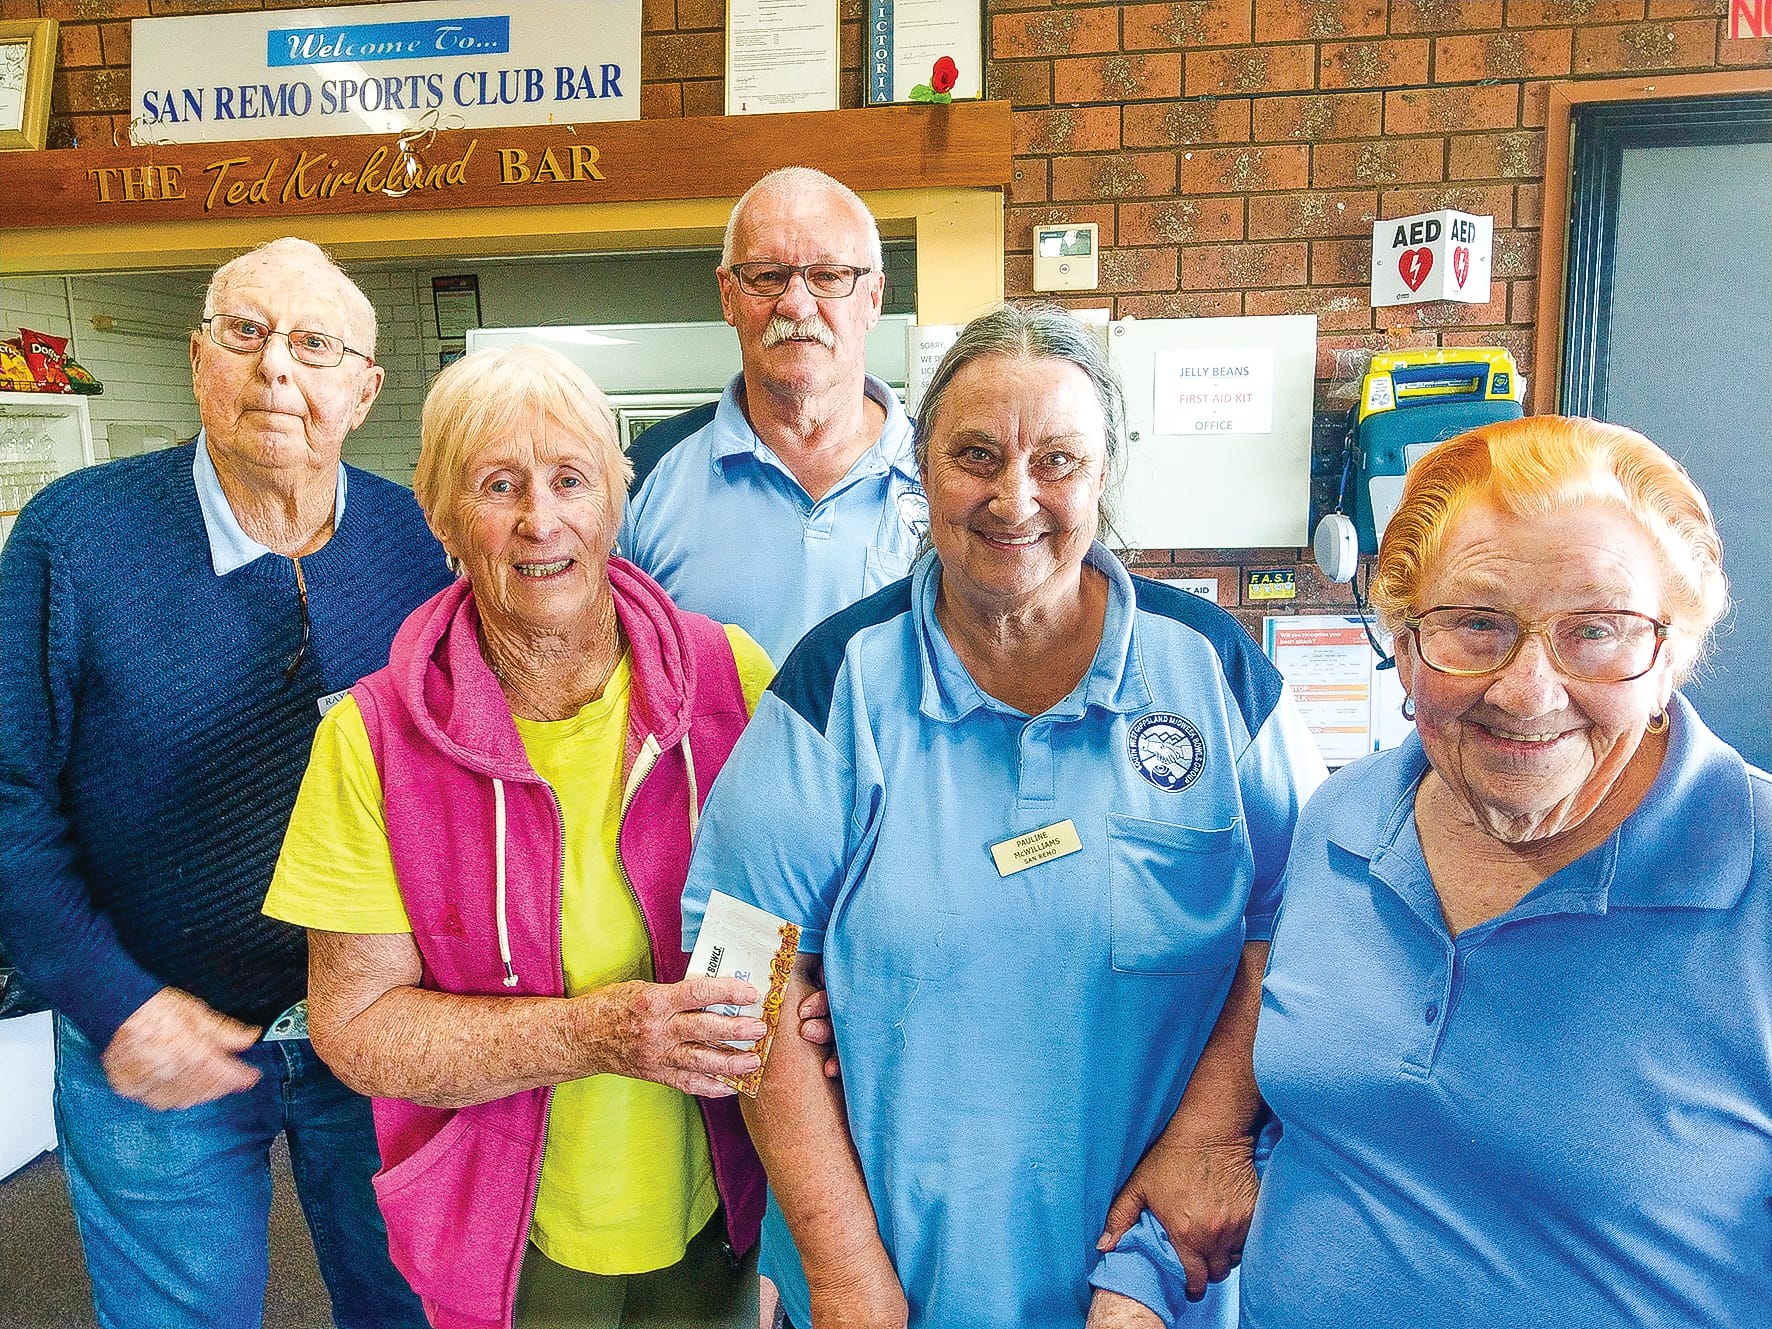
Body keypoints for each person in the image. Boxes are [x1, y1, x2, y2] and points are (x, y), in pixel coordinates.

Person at [680, 304, 1326, 1329]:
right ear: (921, 471)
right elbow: (735, 957)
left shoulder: (1215, 676)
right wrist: (846, 1276)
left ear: (1105, 473)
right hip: (895, 1282)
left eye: (1057, 459)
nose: (1014, 497)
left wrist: (1207, 1138)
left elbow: (1303, 931)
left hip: (1155, 1284)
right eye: (974, 455)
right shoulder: (837, 682)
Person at [263, 344, 774, 1329]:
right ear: (443, 517)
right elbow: (358, 1032)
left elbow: (797, 921)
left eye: (569, 480)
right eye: (499, 485)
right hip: (509, 1236)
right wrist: (597, 1033)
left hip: (720, 1208)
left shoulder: (726, 680)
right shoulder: (371, 742)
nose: (541, 520)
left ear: (613, 502)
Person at [0, 237, 445, 1328]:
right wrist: (111, 1002)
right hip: (153, 1030)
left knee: (411, 1309)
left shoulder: (417, 540)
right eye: (244, 334)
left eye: (312, 344)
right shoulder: (76, 539)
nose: (275, 370)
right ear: (200, 360)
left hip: (382, 1025)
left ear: (364, 388)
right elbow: (7, 795)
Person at [1239, 416, 1770, 1328]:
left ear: (1669, 654)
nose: (1528, 690)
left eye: (1596, 630)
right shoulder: (1344, 819)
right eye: (1477, 625)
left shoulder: (1754, 872)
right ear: (1402, 645)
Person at [619, 166, 925, 663]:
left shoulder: (942, 472)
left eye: (828, 276)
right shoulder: (647, 473)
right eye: (767, 277)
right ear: (728, 295)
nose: (797, 305)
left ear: (874, 298)